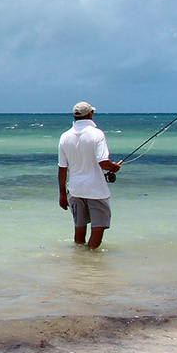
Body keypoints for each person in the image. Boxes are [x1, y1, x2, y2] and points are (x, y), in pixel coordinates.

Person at [58, 101, 121, 249]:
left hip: (75, 190)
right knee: (98, 229)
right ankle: (89, 263)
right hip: (96, 190)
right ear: (90, 114)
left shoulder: (64, 136)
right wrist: (114, 167)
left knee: (79, 229)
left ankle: (79, 262)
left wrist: (62, 194)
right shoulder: (97, 134)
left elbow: (62, 168)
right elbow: (104, 163)